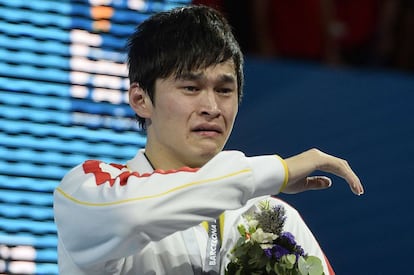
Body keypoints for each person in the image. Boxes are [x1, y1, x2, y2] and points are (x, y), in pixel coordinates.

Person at [53, 5, 364, 275]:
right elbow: (133, 216)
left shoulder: (274, 219)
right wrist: (277, 171)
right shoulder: (88, 190)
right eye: (191, 87)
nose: (212, 108)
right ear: (140, 98)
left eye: (224, 90)